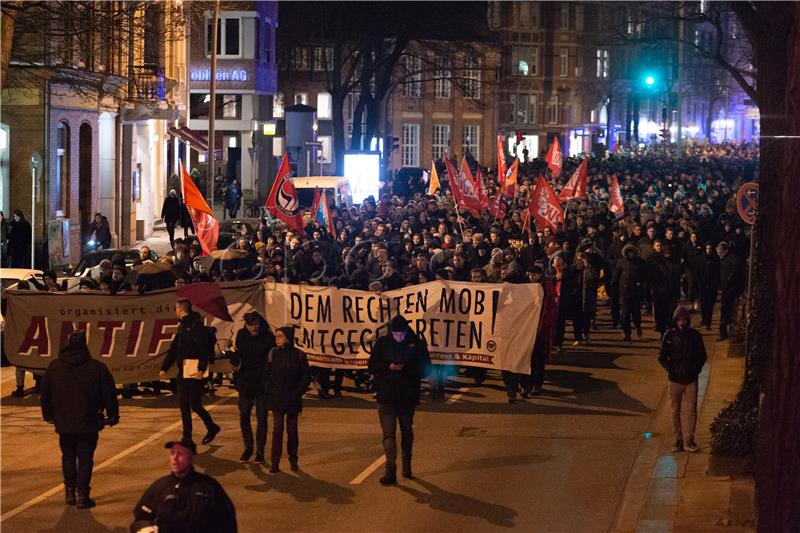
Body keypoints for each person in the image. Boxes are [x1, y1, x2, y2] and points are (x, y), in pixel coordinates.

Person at [40, 330, 119, 508]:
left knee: (68, 456)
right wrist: (113, 415)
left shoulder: (55, 366)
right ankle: (83, 495)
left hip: (64, 421)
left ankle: (70, 491)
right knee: (85, 458)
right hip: (88, 421)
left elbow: (45, 394)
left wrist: (49, 415)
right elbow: (109, 394)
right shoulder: (97, 368)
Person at [368, 315, 430, 485]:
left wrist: (407, 369)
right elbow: (371, 365)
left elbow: (426, 368)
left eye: (401, 333)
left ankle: (407, 465)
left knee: (406, 431)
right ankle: (390, 470)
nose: (399, 336)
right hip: (387, 395)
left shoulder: (416, 344)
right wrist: (388, 367)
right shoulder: (382, 343)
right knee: (388, 435)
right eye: (396, 333)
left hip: (407, 396)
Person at [130, 438, 237, 533]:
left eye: (180, 454)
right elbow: (141, 517)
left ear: (191, 458)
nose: (175, 458)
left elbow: (227, 523)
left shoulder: (209, 488)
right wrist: (144, 528)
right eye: (172, 453)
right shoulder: (160, 487)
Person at [160, 299, 221, 445]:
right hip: (184, 370)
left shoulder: (195, 326)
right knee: (184, 405)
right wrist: (164, 367)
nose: (175, 310)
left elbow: (203, 349)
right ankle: (187, 437)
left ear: (181, 309)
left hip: (194, 371)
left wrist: (201, 369)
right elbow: (174, 348)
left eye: (176, 308)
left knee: (194, 404)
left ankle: (211, 427)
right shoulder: (182, 326)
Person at [658, 307, 707, 453]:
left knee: (691, 410)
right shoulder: (669, 336)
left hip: (690, 379)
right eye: (680, 320)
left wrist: (695, 370)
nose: (682, 323)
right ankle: (678, 439)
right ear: (675, 320)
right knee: (675, 410)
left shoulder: (695, 336)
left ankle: (689, 439)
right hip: (674, 379)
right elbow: (661, 356)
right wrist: (670, 368)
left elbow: (702, 356)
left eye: (685, 320)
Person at [227, 312, 275, 463]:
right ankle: (248, 446)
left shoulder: (268, 337)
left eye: (256, 325)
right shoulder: (241, 335)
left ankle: (260, 451)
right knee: (244, 415)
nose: (254, 328)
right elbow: (239, 356)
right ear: (246, 325)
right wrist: (231, 355)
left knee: (262, 417)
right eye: (251, 325)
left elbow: (272, 358)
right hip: (245, 381)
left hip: (262, 382)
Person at [267, 326, 311, 473]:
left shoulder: (299, 355)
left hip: (293, 398)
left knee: (292, 431)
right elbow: (266, 374)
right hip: (277, 397)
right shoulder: (273, 354)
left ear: (288, 337)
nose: (277, 339)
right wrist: (271, 392)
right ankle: (275, 462)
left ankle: (293, 460)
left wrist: (297, 393)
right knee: (277, 429)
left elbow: (305, 377)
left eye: (280, 336)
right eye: (276, 336)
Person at [613, 244, 646, 341]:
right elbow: (616, 275)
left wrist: (642, 288)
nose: (631, 254)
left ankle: (638, 327)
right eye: (629, 252)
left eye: (632, 252)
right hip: (624, 291)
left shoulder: (640, 262)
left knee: (636, 313)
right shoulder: (621, 262)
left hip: (635, 291)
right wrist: (614, 287)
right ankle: (627, 333)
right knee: (625, 313)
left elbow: (644, 275)